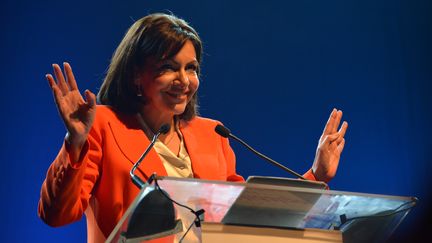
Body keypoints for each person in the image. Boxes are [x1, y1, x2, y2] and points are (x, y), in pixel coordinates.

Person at [38, 13, 348, 243]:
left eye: (191, 68)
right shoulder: (104, 125)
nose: (184, 81)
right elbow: (56, 215)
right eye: (169, 67)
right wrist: (75, 142)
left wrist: (315, 177)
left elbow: (245, 218)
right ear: (136, 75)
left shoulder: (212, 135)